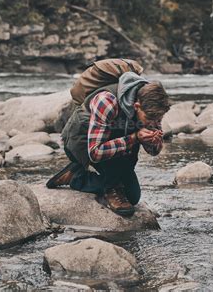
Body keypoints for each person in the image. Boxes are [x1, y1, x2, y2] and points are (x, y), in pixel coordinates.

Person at [46, 59, 170, 217]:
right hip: (82, 144)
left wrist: (154, 142)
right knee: (121, 189)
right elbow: (95, 152)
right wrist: (135, 138)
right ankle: (78, 177)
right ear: (137, 106)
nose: (155, 123)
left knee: (133, 196)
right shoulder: (107, 101)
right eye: (151, 119)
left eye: (158, 120)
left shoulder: (152, 108)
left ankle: (79, 174)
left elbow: (153, 151)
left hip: (115, 149)